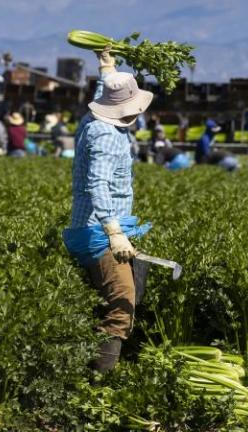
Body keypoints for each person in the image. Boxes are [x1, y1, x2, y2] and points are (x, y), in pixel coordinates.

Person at [62, 49, 155, 373]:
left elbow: (105, 93)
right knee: (123, 304)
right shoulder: (105, 137)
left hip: (98, 227)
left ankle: (89, 358)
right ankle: (97, 384)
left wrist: (107, 67)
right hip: (96, 232)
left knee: (132, 287)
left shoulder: (93, 119)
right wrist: (113, 233)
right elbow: (96, 185)